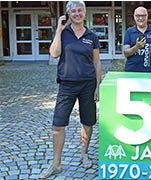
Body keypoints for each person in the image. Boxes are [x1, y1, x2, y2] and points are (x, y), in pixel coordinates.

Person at [39, 1, 101, 179]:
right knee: (58, 124)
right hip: (66, 84)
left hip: (88, 84)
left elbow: (97, 62)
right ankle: (56, 164)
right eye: (73, 11)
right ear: (68, 14)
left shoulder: (92, 36)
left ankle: (84, 153)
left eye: (79, 10)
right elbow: (54, 53)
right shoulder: (63, 33)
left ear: (84, 12)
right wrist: (58, 29)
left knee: (87, 121)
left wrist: (98, 85)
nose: (77, 13)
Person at [123, 6, 151, 72]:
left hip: (149, 71)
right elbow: (126, 53)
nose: (140, 18)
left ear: (147, 16)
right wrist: (137, 47)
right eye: (137, 16)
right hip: (131, 70)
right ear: (134, 17)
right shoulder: (129, 32)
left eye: (143, 15)